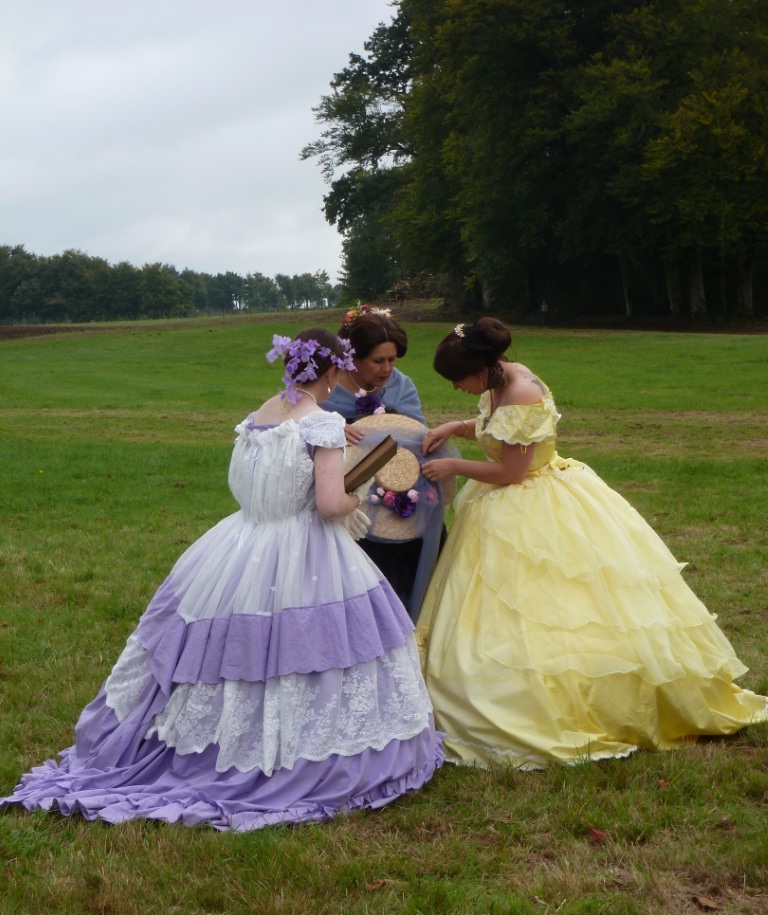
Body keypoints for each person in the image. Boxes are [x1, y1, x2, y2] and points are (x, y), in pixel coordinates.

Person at [1, 329, 443, 829]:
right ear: (331, 372)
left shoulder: (263, 413)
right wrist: (354, 497)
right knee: (313, 648)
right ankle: (293, 752)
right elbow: (326, 503)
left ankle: (211, 741)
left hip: (241, 543)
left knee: (227, 647)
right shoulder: (322, 422)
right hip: (304, 548)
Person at [416, 317, 767, 769]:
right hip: (506, 503)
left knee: (560, 604)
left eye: (458, 380)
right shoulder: (500, 378)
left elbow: (511, 471)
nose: (458, 387)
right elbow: (497, 426)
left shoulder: (521, 390)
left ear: (481, 368)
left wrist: (455, 469)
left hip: (531, 500)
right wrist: (457, 426)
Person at [322, 302, 451, 620]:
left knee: (410, 561)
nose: (387, 368)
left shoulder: (401, 385)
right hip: (345, 498)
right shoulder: (325, 388)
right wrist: (333, 429)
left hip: (398, 492)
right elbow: (299, 431)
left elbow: (416, 436)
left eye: (392, 360)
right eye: (378, 360)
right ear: (352, 358)